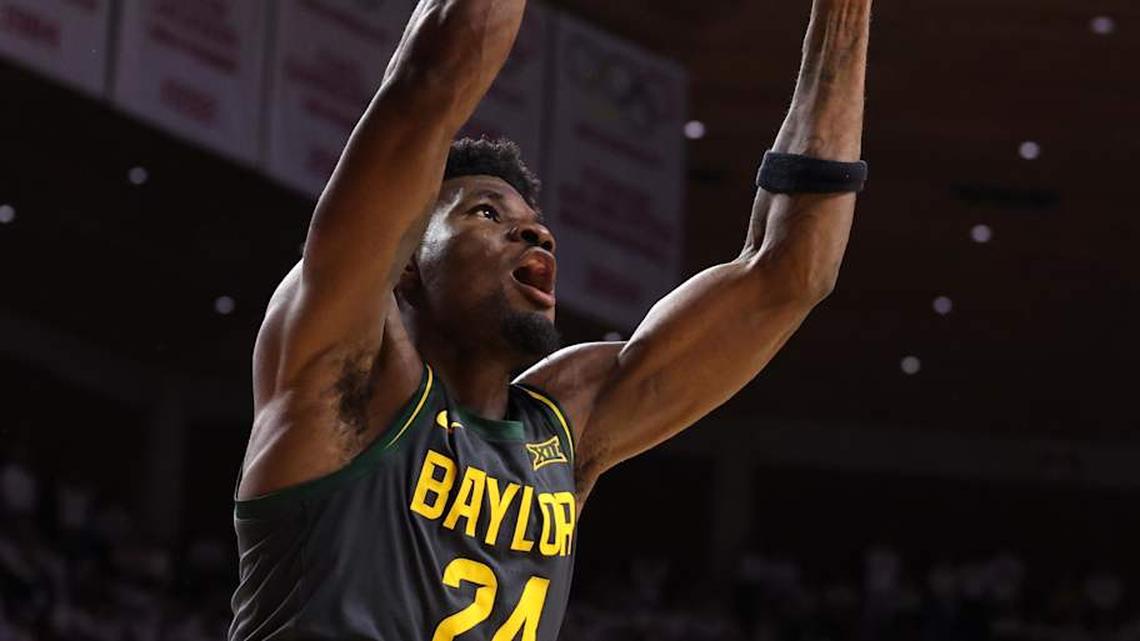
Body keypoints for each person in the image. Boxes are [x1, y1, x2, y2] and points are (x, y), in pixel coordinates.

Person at [229, 0, 872, 639]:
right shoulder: (342, 372)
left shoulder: (563, 425)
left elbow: (784, 274)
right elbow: (431, 80)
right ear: (406, 264)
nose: (534, 231)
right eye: (486, 214)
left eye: (534, 223)